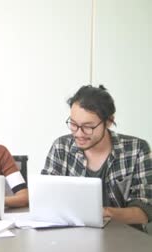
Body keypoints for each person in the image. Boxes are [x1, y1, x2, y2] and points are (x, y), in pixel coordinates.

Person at [41, 85, 152, 230]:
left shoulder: (137, 149)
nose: (79, 134)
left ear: (109, 121)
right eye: (73, 124)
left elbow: (144, 212)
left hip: (125, 240)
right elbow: (45, 197)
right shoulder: (61, 147)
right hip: (71, 237)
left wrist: (104, 213)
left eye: (88, 127)